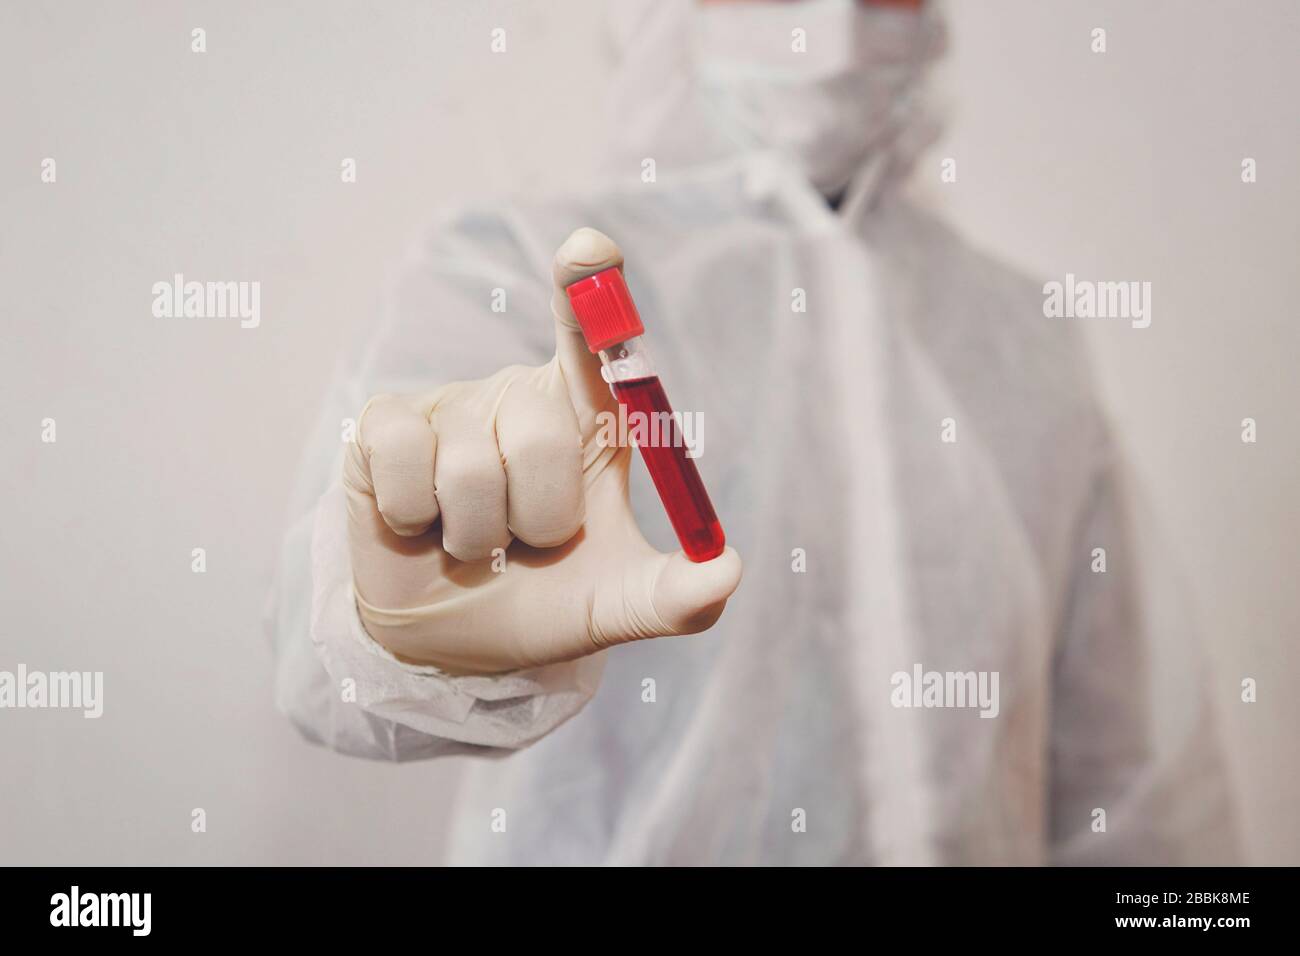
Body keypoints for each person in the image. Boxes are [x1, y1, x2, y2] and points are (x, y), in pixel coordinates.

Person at [268, 0, 1239, 864]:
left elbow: (1132, 786)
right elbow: (324, 655)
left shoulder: (1025, 337)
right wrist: (413, 600)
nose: (843, 15)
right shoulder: (520, 269)